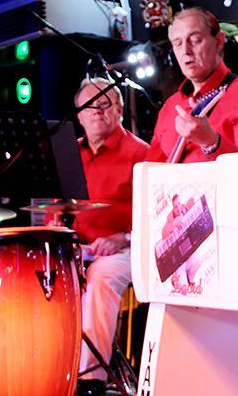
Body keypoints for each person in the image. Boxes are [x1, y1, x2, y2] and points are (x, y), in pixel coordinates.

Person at [68, 78, 149, 393]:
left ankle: (90, 380)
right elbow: (54, 208)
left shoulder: (141, 153)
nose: (97, 111)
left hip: (128, 248)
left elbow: (158, 216)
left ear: (119, 110)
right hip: (80, 249)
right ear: (79, 116)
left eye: (104, 104)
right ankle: (53, 367)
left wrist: (123, 237)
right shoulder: (69, 154)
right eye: (90, 106)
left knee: (100, 277)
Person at [145, 7, 238, 163]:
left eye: (195, 40)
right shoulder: (170, 106)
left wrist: (211, 141)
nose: (185, 50)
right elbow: (152, 169)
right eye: (178, 43)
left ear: (219, 41)